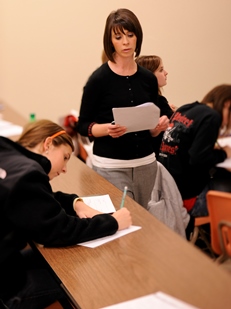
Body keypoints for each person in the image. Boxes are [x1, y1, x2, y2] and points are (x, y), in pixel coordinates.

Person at [0, 119, 132, 309]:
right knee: (80, 279)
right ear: (48, 144)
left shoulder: (7, 153)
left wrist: (75, 202)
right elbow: (60, 230)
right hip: (6, 289)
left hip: (8, 261)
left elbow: (36, 199)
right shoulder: (29, 173)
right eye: (65, 157)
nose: (64, 169)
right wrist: (113, 222)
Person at [77, 8, 169, 209]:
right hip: (111, 166)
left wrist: (158, 126)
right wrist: (107, 129)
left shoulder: (148, 79)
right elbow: (83, 126)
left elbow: (151, 127)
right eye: (118, 37)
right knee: (121, 225)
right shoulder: (99, 79)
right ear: (110, 41)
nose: (126, 42)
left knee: (144, 221)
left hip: (146, 164)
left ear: (138, 37)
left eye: (130, 35)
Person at [158, 84, 231, 217]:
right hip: (189, 199)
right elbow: (198, 158)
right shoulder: (212, 116)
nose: (226, 124)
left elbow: (187, 146)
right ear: (227, 104)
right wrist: (224, 153)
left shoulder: (186, 109)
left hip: (169, 193)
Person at [135, 55, 175, 158]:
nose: (166, 72)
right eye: (161, 70)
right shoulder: (159, 101)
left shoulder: (137, 101)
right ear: (149, 76)